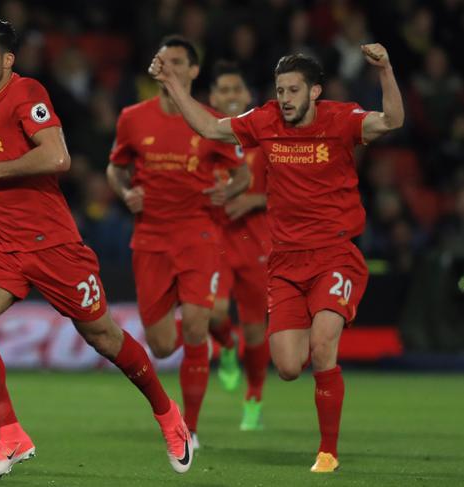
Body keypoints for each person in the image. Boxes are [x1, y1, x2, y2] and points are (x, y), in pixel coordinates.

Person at [0, 15, 193, 480]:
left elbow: (57, 157)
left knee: (102, 337)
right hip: (0, 239)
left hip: (51, 243)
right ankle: (11, 434)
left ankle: (167, 413)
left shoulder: (27, 93)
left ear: (7, 58)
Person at [149, 44, 403, 472]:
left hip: (334, 255)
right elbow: (211, 128)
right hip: (284, 263)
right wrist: (173, 84)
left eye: (292, 90)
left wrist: (386, 71)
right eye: (280, 89)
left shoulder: (341, 120)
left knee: (324, 346)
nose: (284, 98)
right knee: (287, 366)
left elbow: (392, 120)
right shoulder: (264, 120)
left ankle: (328, 452)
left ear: (315, 92)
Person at [107, 36, 250, 449]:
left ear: (192, 71)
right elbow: (114, 169)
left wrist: (230, 191)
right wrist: (124, 193)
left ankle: (191, 427)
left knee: (195, 326)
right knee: (162, 345)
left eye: (175, 61)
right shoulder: (132, 118)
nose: (165, 66)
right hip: (150, 239)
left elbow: (241, 172)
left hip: (198, 235)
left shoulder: (210, 121)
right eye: (160, 60)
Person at [206, 61, 271, 432]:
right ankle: (226, 349)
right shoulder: (206, 139)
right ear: (212, 98)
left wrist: (255, 200)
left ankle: (254, 398)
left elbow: (289, 191)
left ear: (248, 96)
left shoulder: (266, 140)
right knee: (215, 313)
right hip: (215, 240)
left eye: (237, 90)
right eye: (224, 91)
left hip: (256, 241)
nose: (231, 96)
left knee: (255, 332)